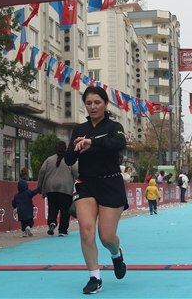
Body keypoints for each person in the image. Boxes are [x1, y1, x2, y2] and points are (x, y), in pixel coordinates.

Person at [64, 86, 128, 295]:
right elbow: (69, 160)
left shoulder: (114, 126)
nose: (93, 107)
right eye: (89, 103)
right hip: (86, 184)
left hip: (110, 184)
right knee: (86, 231)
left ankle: (116, 254)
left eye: (97, 102)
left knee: (107, 237)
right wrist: (75, 148)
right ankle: (95, 277)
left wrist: (92, 142)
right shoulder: (79, 129)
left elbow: (119, 143)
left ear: (105, 104)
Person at [37, 141, 78, 237]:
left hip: (51, 189)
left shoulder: (49, 160)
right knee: (65, 210)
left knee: (52, 207)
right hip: (65, 189)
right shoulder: (70, 160)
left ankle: (52, 222)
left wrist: (40, 186)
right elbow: (77, 172)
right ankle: (62, 230)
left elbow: (41, 172)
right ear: (66, 148)